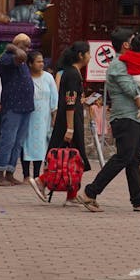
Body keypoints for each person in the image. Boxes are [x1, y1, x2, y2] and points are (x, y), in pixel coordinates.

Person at [73, 31, 140, 212]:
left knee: (134, 159)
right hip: (125, 116)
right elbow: (131, 88)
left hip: (138, 117)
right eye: (132, 40)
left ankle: (139, 200)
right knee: (123, 157)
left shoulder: (133, 62)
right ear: (126, 45)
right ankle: (90, 192)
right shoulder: (118, 64)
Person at [47, 42, 91, 203]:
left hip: (71, 118)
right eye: (88, 53)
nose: (90, 57)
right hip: (70, 120)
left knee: (74, 157)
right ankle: (42, 181)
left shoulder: (73, 73)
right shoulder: (72, 74)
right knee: (73, 155)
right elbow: (70, 101)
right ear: (81, 55)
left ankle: (72, 193)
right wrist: (71, 128)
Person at [0, 34, 35, 187]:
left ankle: (10, 172)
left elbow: (23, 55)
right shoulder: (6, 58)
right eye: (26, 44)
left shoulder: (20, 58)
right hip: (13, 105)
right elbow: (21, 55)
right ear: (17, 44)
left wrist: (18, 47)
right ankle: (0, 175)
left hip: (25, 106)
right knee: (8, 140)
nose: (28, 48)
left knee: (18, 142)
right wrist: (13, 47)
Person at [20, 50, 58, 198]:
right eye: (38, 61)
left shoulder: (48, 77)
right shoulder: (25, 77)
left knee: (41, 144)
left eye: (42, 61)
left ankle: (36, 175)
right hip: (28, 115)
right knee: (26, 142)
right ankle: (25, 174)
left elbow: (54, 97)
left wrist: (54, 115)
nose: (41, 64)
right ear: (30, 63)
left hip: (44, 116)